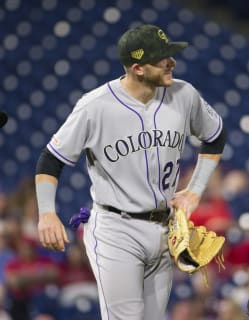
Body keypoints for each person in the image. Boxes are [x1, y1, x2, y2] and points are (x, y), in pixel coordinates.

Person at [34, 24, 226, 320]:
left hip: (165, 229)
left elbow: (215, 135)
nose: (171, 61)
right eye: (162, 57)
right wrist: (47, 212)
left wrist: (195, 190)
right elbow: (51, 159)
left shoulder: (184, 94)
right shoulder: (95, 106)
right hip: (116, 228)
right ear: (137, 68)